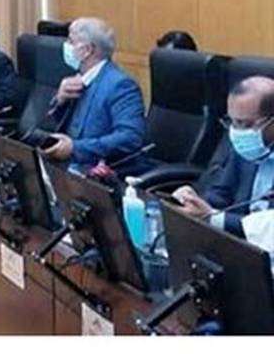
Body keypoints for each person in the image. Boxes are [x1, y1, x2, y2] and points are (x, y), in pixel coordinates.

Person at [41, 17, 147, 174]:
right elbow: (53, 127)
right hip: (65, 168)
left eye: (71, 41)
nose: (66, 46)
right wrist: (60, 101)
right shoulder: (76, 80)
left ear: (87, 50)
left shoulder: (121, 85)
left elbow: (130, 138)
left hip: (97, 172)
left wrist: (75, 148)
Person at [171, 76, 274, 235]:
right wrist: (194, 201)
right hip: (235, 242)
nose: (237, 132)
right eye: (232, 122)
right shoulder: (247, 146)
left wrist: (213, 217)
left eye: (244, 123)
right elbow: (222, 193)